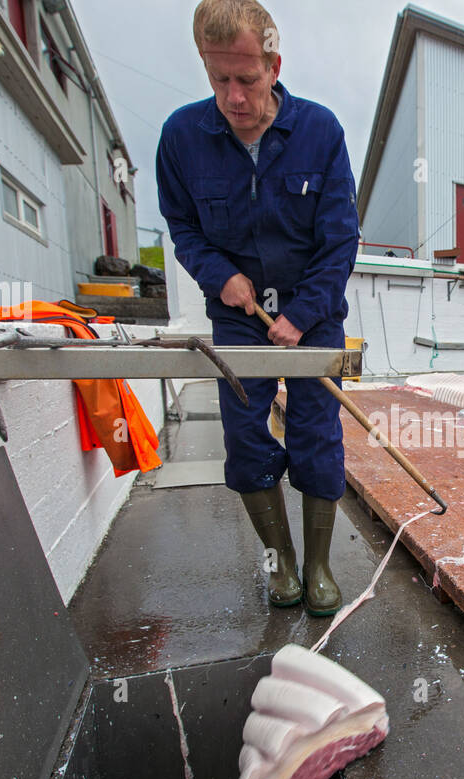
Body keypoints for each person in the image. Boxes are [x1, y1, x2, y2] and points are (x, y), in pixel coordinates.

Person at [156, 0, 359, 617]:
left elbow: (340, 237)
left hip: (313, 313)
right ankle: (283, 562)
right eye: (219, 79)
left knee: (317, 435)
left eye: (246, 79)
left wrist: (303, 313)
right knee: (246, 441)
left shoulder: (320, 132)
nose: (233, 97)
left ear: (274, 65)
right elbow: (184, 229)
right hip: (238, 317)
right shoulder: (182, 138)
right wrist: (222, 279)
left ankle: (321, 564)